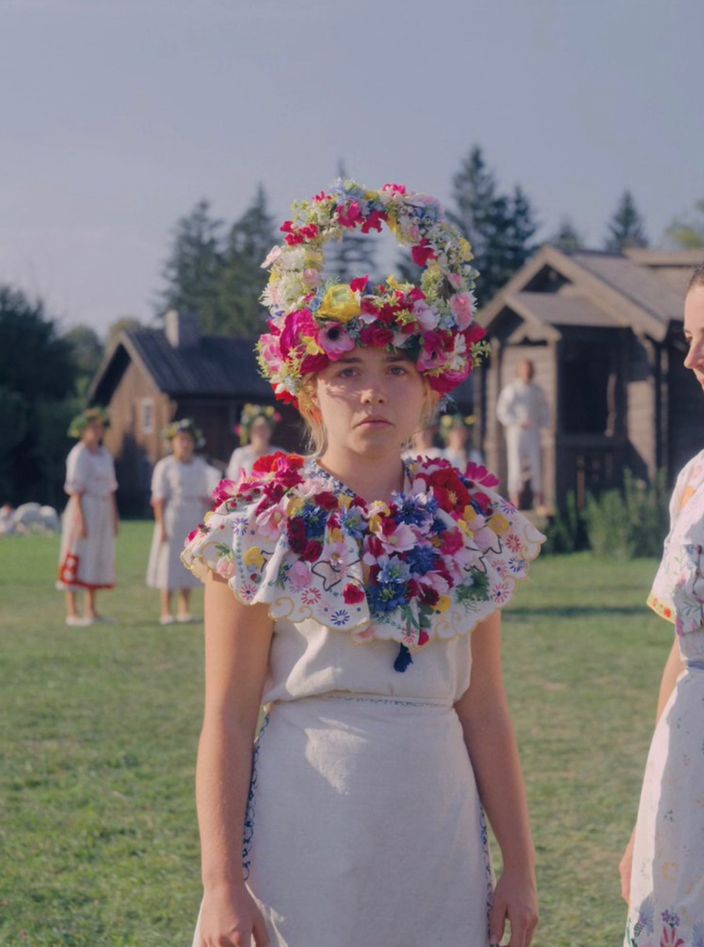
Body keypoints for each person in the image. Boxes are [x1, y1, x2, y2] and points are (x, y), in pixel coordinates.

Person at [182, 181, 543, 947]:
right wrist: (221, 882)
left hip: (434, 833)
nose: (372, 390)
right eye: (347, 370)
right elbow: (229, 714)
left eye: (398, 369)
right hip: (303, 829)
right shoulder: (259, 524)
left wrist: (520, 865)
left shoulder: (468, 522)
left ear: (429, 389)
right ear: (309, 391)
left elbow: (484, 710)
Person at [620, 239, 704, 947]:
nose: (692, 358)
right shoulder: (697, 477)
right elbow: (681, 651)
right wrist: (645, 817)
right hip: (690, 753)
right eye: (690, 338)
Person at [57, 407, 118, 626]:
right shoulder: (79, 453)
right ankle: (72, 610)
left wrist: (114, 517)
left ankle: (91, 610)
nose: (97, 432)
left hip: (102, 508)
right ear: (83, 430)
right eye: (92, 427)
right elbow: (76, 489)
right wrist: (81, 520)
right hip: (84, 507)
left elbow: (111, 488)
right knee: (78, 552)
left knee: (97, 554)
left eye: (99, 427)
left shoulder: (104, 455)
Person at [146, 419, 211, 625]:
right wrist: (161, 526)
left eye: (188, 440)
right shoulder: (165, 466)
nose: (185, 444)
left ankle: (184, 609)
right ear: (172, 442)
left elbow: (206, 495)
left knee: (190, 560)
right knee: (169, 561)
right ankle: (166, 610)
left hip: (193, 515)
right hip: (172, 516)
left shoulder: (200, 466)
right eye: (181, 440)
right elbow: (159, 499)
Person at [496, 360, 550, 510]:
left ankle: (539, 499)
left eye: (529, 369)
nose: (526, 372)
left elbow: (544, 410)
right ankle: (515, 499)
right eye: (524, 369)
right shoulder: (512, 389)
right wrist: (516, 422)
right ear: (519, 370)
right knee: (516, 463)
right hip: (516, 431)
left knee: (536, 462)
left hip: (533, 431)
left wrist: (544, 424)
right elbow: (502, 410)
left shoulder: (537, 390)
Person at [226, 404, 282, 481]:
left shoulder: (279, 454)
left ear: (270, 431)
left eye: (264, 428)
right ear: (250, 432)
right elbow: (232, 480)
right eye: (257, 429)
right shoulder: (240, 454)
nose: (261, 432)